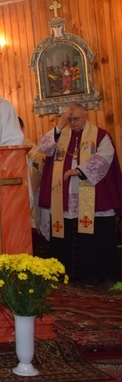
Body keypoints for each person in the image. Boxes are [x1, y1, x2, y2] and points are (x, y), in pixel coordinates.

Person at [37, 104, 122, 282]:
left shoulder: (100, 135)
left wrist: (79, 171)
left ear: (85, 116)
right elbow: (43, 149)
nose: (73, 122)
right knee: (65, 231)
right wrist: (59, 125)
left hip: (92, 191)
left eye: (76, 118)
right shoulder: (60, 136)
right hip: (64, 194)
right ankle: (67, 273)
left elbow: (105, 157)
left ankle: (95, 274)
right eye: (69, 119)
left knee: (92, 232)